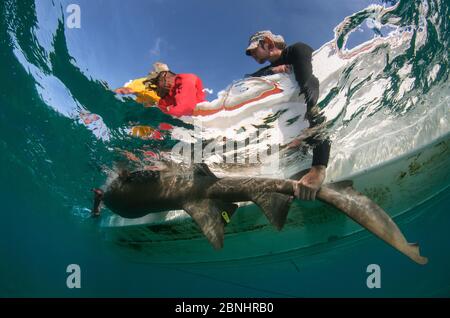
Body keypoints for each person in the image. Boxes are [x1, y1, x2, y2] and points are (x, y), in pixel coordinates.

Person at [245, 30, 331, 201]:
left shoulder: (297, 50)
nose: (252, 55)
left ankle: (320, 167)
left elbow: (309, 83)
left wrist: (318, 167)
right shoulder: (267, 70)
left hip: (311, 122)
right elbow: (248, 79)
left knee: (312, 111)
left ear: (268, 43)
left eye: (255, 49)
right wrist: (274, 71)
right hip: (291, 132)